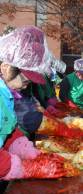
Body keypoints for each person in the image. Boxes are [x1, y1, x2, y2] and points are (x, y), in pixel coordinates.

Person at [0, 26, 67, 181]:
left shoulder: (7, 94)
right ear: (5, 67)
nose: (26, 85)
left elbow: (7, 129)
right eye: (25, 79)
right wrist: (30, 168)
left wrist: (30, 152)